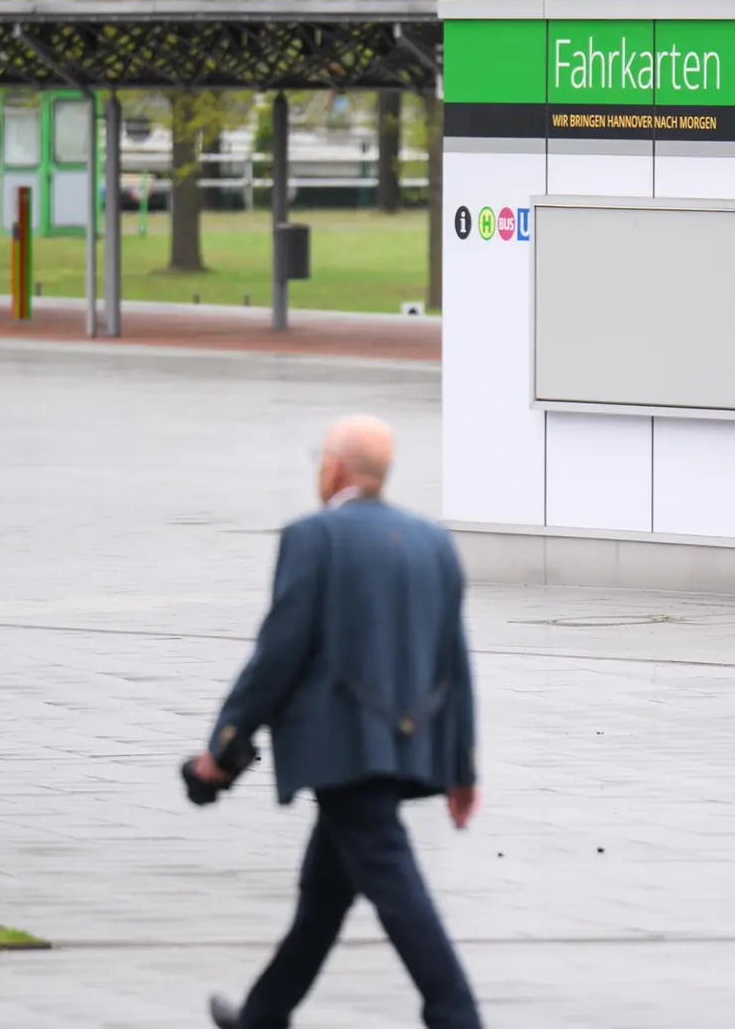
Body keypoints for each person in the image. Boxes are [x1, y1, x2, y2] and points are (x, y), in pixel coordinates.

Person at [200, 414, 483, 1029]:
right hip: (405, 747)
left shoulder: (314, 537)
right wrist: (462, 769)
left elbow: (278, 653)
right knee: (324, 896)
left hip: (339, 749)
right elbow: (454, 661)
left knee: (393, 883)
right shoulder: (433, 542)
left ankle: (457, 1014)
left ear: (334, 470)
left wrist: (223, 747)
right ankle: (263, 1016)